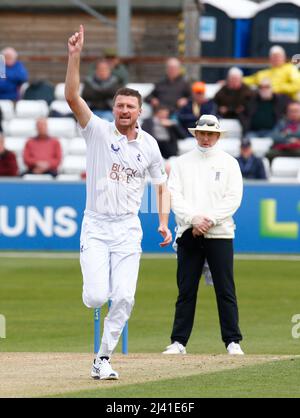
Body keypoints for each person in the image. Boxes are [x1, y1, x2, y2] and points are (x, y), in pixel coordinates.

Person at [65, 25, 172, 380]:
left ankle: (103, 358)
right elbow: (71, 97)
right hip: (96, 225)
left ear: (139, 112)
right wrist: (75, 55)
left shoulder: (150, 146)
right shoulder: (96, 130)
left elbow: (161, 184)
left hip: (127, 228)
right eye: (120, 105)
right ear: (113, 109)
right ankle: (95, 297)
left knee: (124, 297)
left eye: (131, 106)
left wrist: (162, 221)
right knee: (97, 298)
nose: (124, 110)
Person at [163, 114, 244, 356]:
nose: (206, 138)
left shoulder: (229, 163)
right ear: (195, 134)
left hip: (219, 233)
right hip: (189, 232)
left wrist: (209, 220)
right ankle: (179, 342)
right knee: (186, 289)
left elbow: (233, 198)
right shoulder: (181, 163)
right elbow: (173, 194)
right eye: (202, 133)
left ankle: (232, 341)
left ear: (217, 136)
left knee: (225, 289)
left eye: (211, 134)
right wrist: (193, 220)